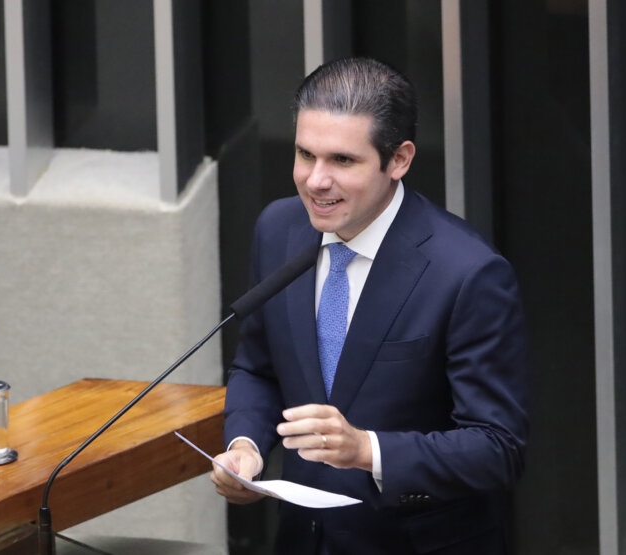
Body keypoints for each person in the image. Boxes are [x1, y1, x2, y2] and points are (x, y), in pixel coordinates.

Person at [211, 57, 529, 555]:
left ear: (398, 160)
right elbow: (258, 367)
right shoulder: (278, 229)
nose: (315, 180)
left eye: (342, 160)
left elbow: (497, 447)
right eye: (304, 154)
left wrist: (368, 450)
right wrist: (245, 448)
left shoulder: (467, 272)